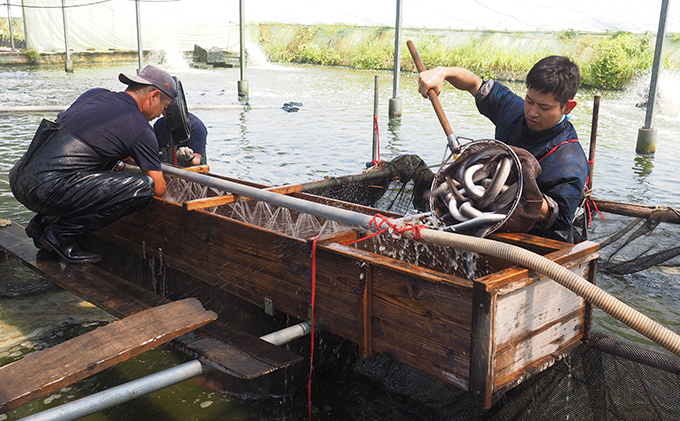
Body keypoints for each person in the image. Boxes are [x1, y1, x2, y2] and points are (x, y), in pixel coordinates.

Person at [9, 64, 176, 264]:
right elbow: (158, 187)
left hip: (20, 178)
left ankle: (42, 224)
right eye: (163, 107)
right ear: (154, 96)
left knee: (104, 164)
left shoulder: (95, 95)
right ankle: (61, 234)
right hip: (46, 190)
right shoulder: (139, 126)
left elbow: (84, 143)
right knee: (144, 187)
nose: (160, 115)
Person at [418, 55, 589, 242]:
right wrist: (443, 71)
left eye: (544, 107)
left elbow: (559, 216)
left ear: (568, 108)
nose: (532, 112)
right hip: (480, 216)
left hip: (528, 241)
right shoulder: (513, 110)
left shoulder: (570, 161)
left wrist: (514, 194)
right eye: (530, 100)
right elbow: (474, 84)